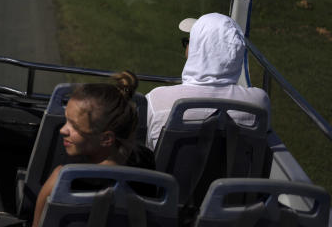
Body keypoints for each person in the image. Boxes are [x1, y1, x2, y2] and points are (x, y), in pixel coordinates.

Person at [34, 71, 148, 225]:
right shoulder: (148, 166)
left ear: (106, 139)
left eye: (73, 126)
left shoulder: (62, 179)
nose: (63, 130)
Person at [144, 12, 270, 150]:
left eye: (189, 42)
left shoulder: (157, 100)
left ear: (196, 50)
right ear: (236, 51)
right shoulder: (259, 102)